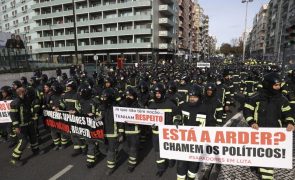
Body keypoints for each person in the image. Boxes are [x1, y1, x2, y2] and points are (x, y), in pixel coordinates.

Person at [244, 72, 295, 180]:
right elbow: (247, 110)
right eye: (276, 85)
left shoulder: (282, 99)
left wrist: (290, 123)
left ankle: (267, 177)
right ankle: (258, 166)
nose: (279, 87)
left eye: (279, 85)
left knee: (268, 157)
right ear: (268, 85)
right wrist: (252, 122)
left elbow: (289, 114)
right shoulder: (255, 97)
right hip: (258, 131)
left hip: (274, 133)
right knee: (259, 154)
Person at [176, 85, 209, 180]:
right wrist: (177, 120)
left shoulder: (205, 109)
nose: (192, 99)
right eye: (190, 97)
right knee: (181, 164)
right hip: (183, 142)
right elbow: (177, 114)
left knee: (194, 165)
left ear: (199, 97)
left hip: (197, 143)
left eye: (194, 97)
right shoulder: (183, 106)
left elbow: (211, 124)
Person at [148, 83, 181, 177]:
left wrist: (177, 121)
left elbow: (177, 114)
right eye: (156, 93)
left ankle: (171, 160)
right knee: (158, 151)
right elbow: (148, 118)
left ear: (163, 93)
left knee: (169, 148)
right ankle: (160, 168)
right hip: (156, 133)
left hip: (168, 133)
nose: (157, 95)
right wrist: (151, 125)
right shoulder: (151, 105)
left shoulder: (170, 104)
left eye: (159, 93)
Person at [9, 87, 44, 166]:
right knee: (23, 142)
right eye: (25, 91)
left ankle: (36, 150)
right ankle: (14, 159)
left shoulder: (26, 99)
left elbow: (28, 110)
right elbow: (13, 116)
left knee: (33, 137)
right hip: (21, 126)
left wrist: (33, 115)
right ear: (21, 93)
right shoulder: (15, 103)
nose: (27, 92)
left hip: (29, 123)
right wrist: (16, 126)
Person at [118, 87, 142, 173]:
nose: (128, 97)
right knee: (125, 148)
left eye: (130, 96)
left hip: (135, 131)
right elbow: (119, 119)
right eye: (127, 95)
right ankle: (133, 155)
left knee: (133, 148)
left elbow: (143, 117)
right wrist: (120, 132)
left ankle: (131, 164)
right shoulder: (121, 104)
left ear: (134, 96)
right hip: (125, 131)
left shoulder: (138, 104)